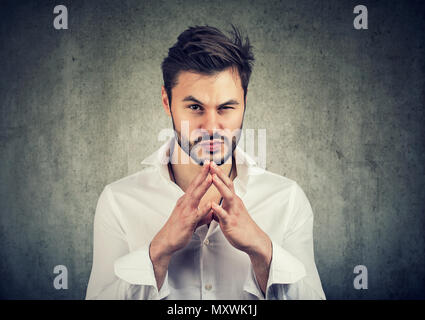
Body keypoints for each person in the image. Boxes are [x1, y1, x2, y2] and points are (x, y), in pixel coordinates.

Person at [85, 25, 326, 300]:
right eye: (195, 107)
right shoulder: (118, 201)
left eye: (226, 107)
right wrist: (158, 251)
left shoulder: (288, 199)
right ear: (167, 101)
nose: (211, 127)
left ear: (245, 102)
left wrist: (263, 250)